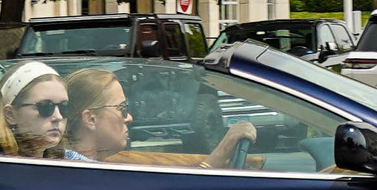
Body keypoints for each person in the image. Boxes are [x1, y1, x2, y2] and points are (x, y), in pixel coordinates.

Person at [61, 66, 258, 167]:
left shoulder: (81, 167)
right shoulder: (88, 174)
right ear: (90, 119)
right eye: (121, 109)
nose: (129, 117)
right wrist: (224, 149)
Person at [0, 62, 72, 157]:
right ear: (11, 115)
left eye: (64, 107)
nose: (58, 117)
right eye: (45, 106)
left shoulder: (74, 161)